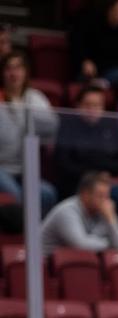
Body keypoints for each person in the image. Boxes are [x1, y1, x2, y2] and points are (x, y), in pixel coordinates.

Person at [53, 83, 118, 199]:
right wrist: (92, 175)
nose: (92, 110)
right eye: (87, 105)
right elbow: (62, 162)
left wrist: (106, 172)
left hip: (108, 183)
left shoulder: (112, 125)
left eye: (97, 105)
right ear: (78, 106)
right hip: (78, 185)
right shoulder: (68, 126)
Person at [0, 51, 58, 212]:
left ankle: (38, 235)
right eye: (9, 68)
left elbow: (52, 127)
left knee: (47, 193)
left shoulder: (35, 97)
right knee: (16, 195)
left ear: (25, 72)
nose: (14, 73)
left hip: (26, 169)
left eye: (18, 68)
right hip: (2, 168)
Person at [40, 169, 118, 257]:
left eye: (106, 196)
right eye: (100, 196)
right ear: (85, 194)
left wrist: (111, 219)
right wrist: (110, 245)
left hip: (70, 263)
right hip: (43, 264)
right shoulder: (67, 211)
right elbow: (81, 245)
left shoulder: (104, 212)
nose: (105, 201)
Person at [69, 0, 118, 89]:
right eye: (115, 10)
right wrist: (84, 61)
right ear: (108, 10)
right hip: (95, 71)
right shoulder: (93, 24)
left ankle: (102, 83)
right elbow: (77, 43)